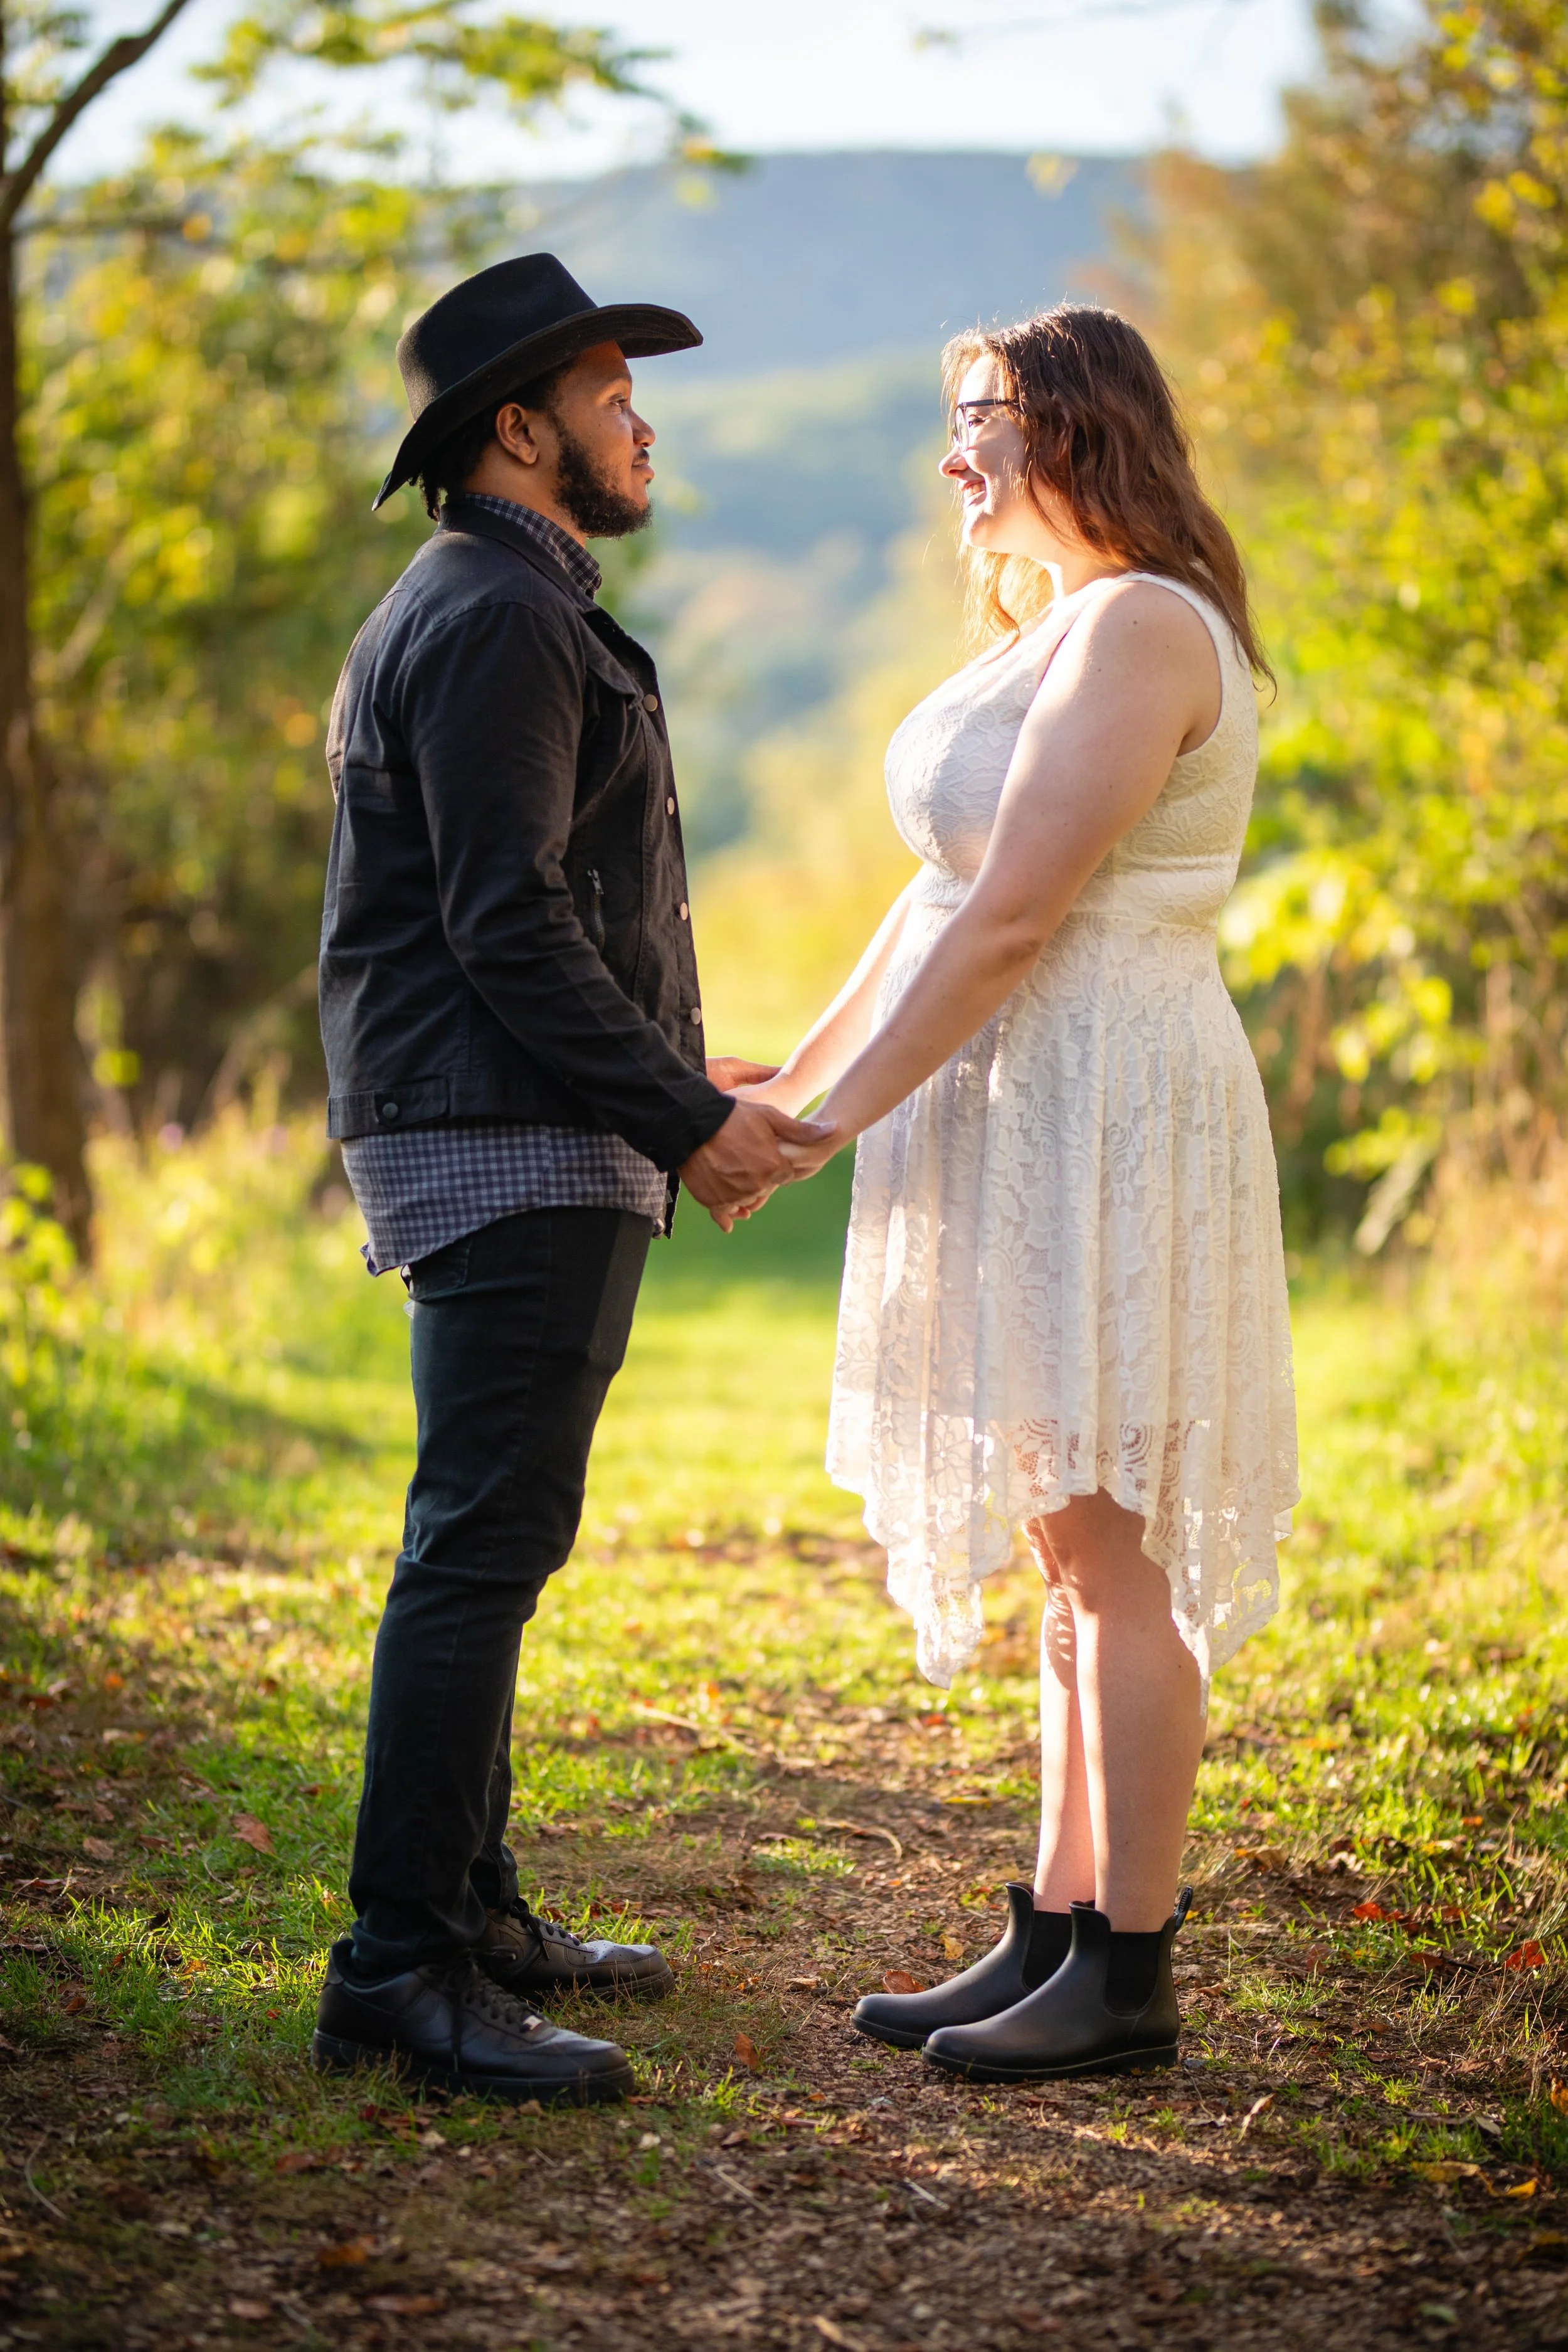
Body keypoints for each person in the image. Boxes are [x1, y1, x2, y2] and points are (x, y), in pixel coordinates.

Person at [747, 305, 1300, 2082]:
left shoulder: (1141, 629)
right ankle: (1057, 1920)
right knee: (1064, 1537)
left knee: (1110, 1551)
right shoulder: (1058, 626)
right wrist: (788, 1070)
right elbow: (929, 900)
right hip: (1034, 1104)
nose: (948, 453)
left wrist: (831, 1130)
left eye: (975, 415)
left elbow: (1011, 922)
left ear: (1067, 421)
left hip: (1111, 1104)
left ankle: (1127, 1969)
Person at [312, 255, 824, 2104]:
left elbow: (534, 915)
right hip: (501, 1138)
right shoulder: (499, 615)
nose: (642, 420)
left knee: (494, 1544)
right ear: (517, 430)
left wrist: (684, 1070)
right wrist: (686, 1123)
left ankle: (471, 1906)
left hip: (521, 1122)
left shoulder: (499, 602)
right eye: (611, 392)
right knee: (477, 1548)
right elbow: (504, 922)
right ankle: (403, 1967)